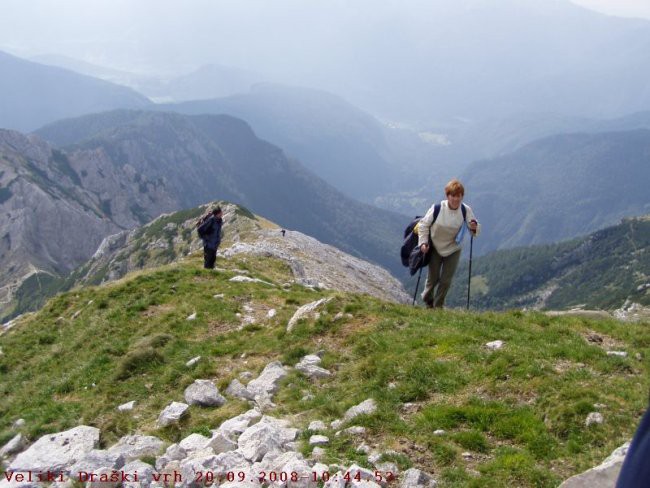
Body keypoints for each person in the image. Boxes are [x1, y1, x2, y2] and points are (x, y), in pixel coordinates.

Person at [417, 179, 480, 308]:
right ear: (447, 196)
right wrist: (423, 243)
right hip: (435, 246)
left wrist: (474, 226)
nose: (456, 199)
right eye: (453, 195)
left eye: (459, 196)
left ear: (462, 196)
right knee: (433, 278)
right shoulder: (437, 208)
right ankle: (427, 298)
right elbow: (423, 225)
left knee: (446, 280)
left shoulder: (465, 210)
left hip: (453, 249)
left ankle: (437, 306)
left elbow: (474, 230)